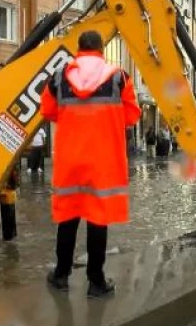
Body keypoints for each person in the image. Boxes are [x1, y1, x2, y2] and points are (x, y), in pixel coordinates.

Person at [40, 31, 141, 297]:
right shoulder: (119, 77)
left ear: (78, 49)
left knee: (68, 218)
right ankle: (96, 281)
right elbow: (131, 115)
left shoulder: (59, 77)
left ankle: (61, 275)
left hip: (70, 159)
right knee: (98, 220)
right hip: (103, 160)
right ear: (101, 49)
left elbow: (48, 111)